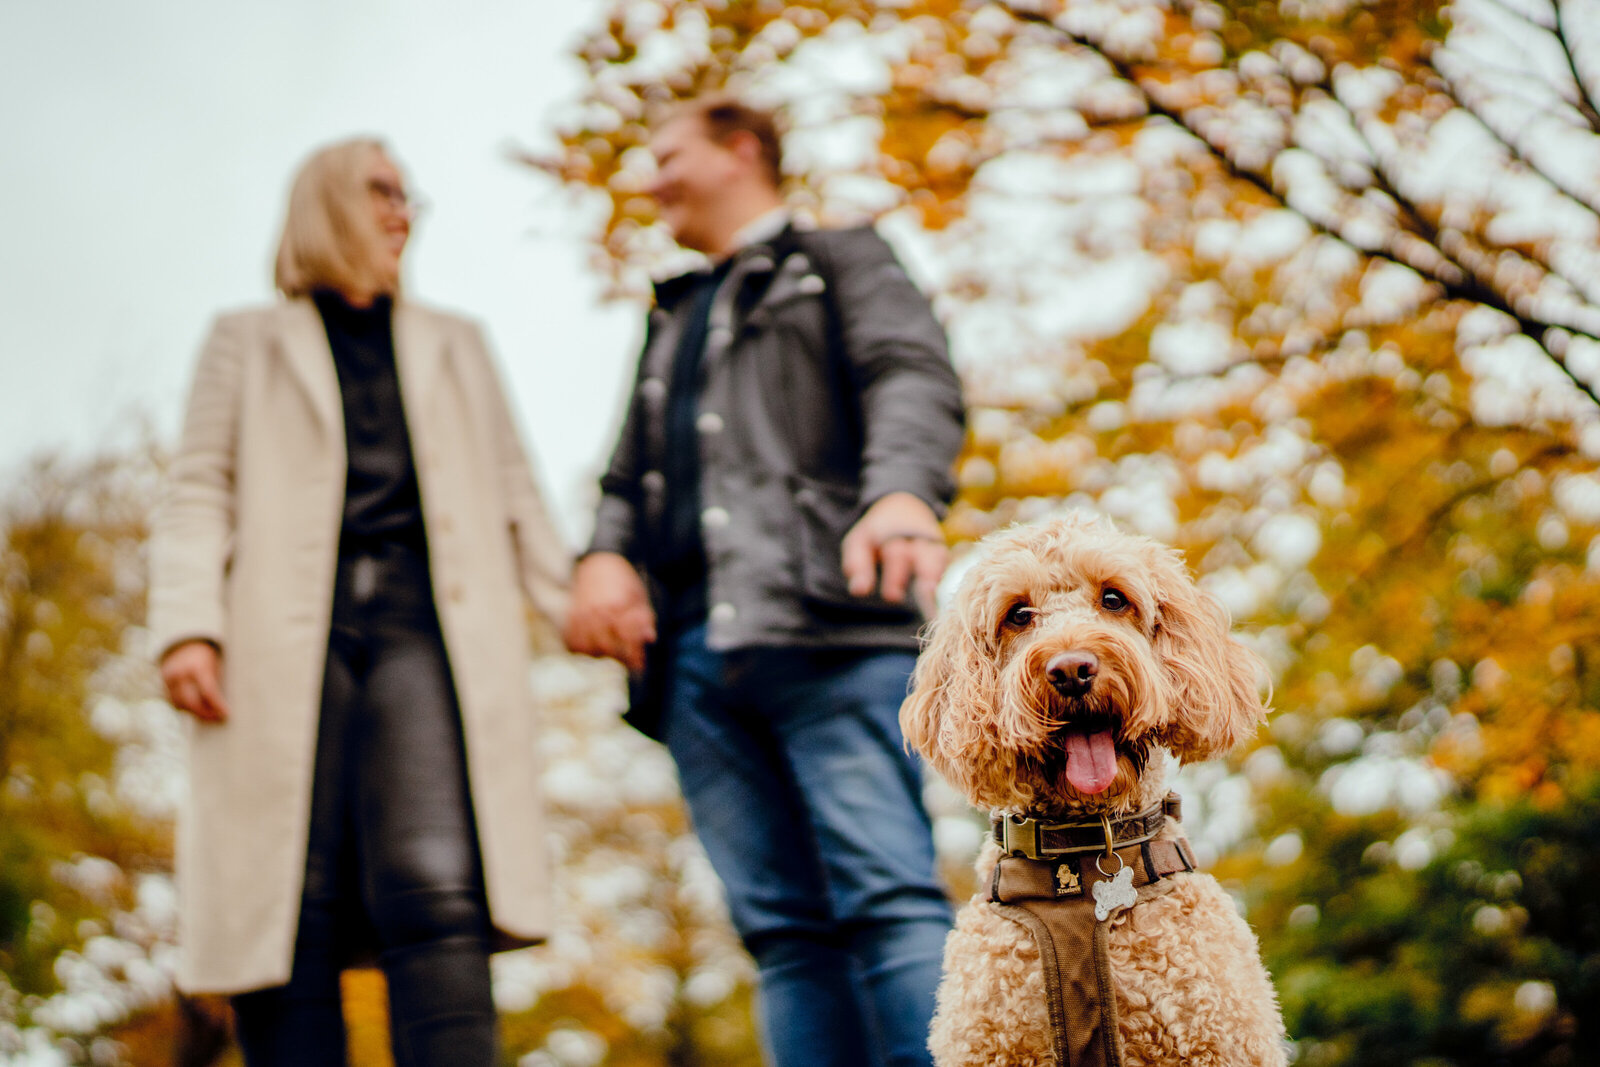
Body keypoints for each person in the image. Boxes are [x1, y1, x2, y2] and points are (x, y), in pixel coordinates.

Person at [147, 138, 569, 1067]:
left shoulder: (456, 340)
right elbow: (198, 491)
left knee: (436, 880)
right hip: (276, 637)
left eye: (408, 193)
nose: (402, 210)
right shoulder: (244, 340)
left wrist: (576, 600)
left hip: (426, 626)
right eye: (381, 190)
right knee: (284, 896)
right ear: (326, 202)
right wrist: (186, 626)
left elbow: (514, 488)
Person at [563, 96, 966, 1067]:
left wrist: (903, 492)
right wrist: (603, 555)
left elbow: (909, 375)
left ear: (741, 150)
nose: (651, 177)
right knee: (782, 932)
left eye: (667, 153)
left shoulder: (839, 257)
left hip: (830, 626)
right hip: (691, 656)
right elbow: (626, 475)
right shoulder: (670, 315)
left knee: (888, 895)